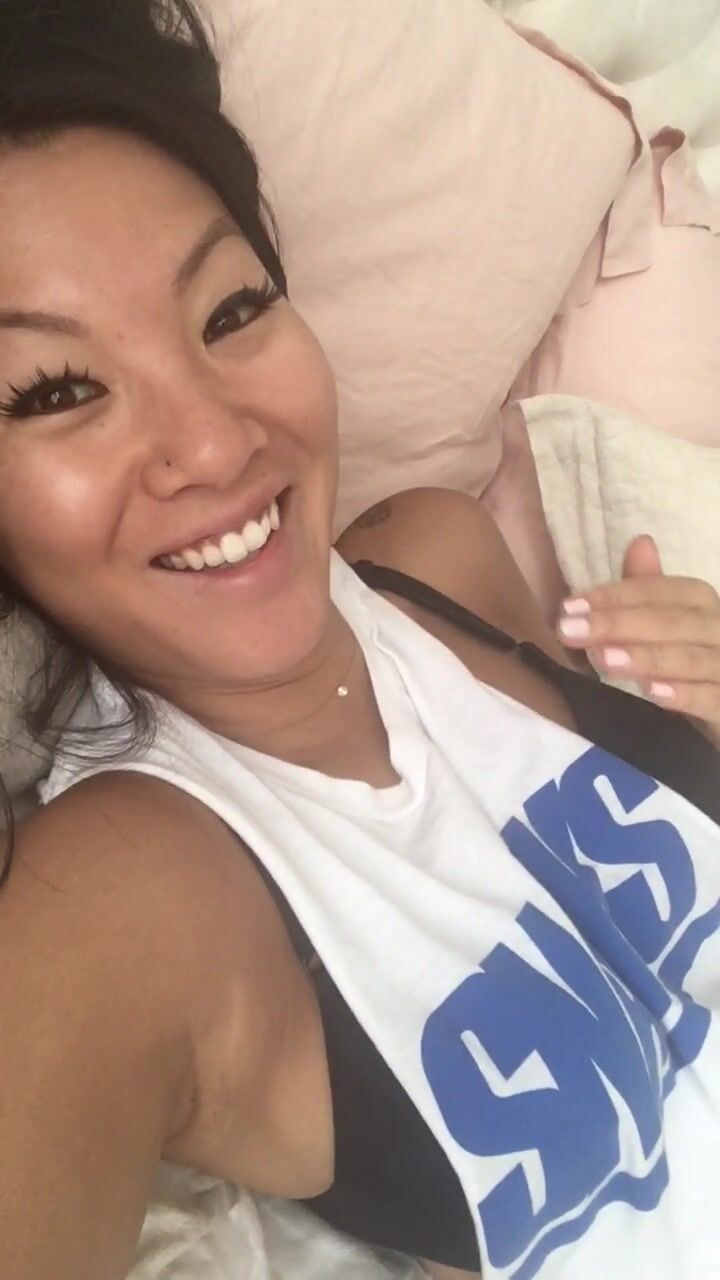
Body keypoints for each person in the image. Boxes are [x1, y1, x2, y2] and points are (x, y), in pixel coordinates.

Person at [0, 3, 718, 1279]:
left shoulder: (444, 555)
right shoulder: (117, 900)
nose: (216, 441)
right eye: (59, 391)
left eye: (231, 310)